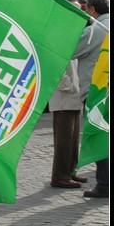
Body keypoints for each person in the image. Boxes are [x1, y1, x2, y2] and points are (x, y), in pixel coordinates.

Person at [73, 0, 110, 199]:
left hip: (98, 94)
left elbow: (71, 50)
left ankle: (104, 185)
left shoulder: (97, 29)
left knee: (99, 138)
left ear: (93, 9)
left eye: (86, 6)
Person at [48, 57, 84, 189]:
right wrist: (72, 86)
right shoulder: (59, 47)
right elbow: (56, 72)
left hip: (74, 99)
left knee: (73, 141)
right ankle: (60, 176)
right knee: (64, 142)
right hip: (63, 101)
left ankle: (70, 171)